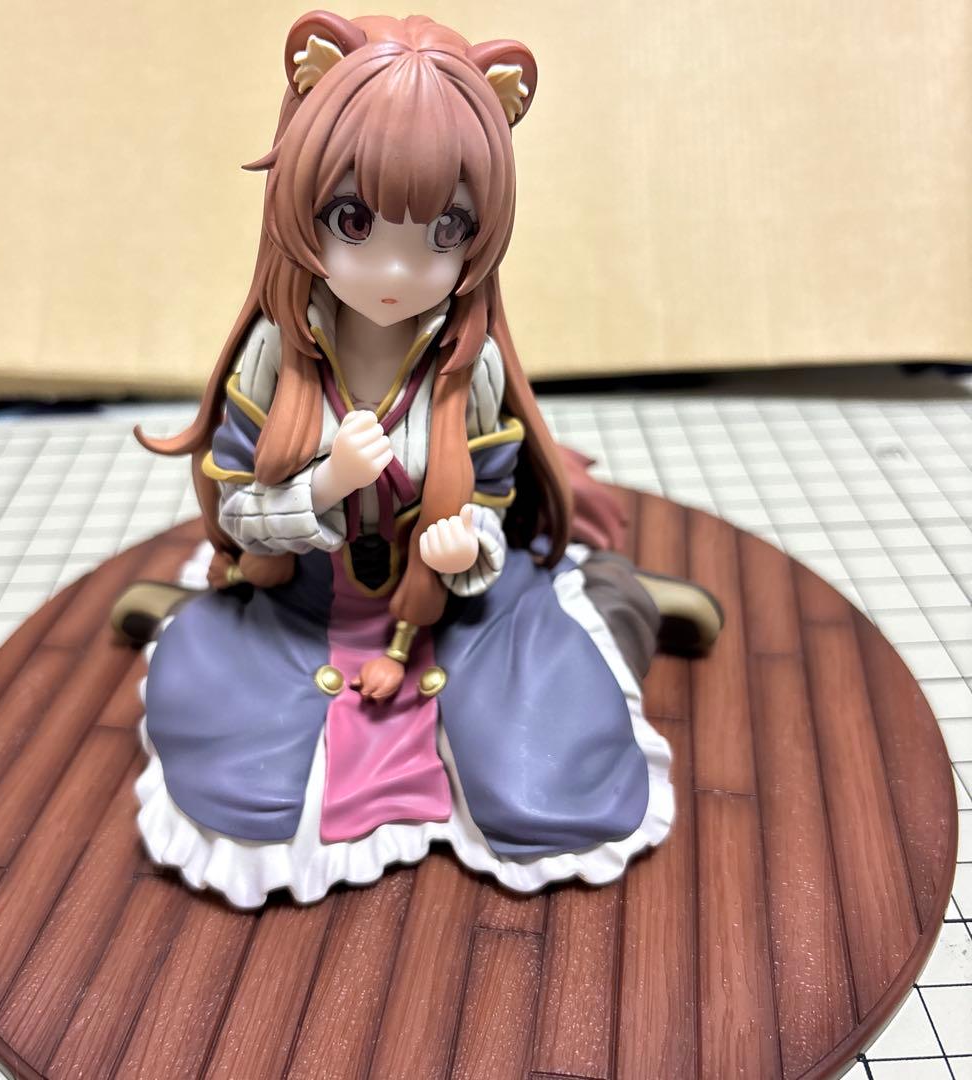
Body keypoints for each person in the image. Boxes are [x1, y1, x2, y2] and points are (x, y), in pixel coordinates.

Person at [122, 11, 722, 910]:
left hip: (454, 621)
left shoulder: (467, 366)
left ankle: (610, 598)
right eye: (354, 220)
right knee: (242, 785)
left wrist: (468, 544)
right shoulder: (272, 357)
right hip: (297, 612)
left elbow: (493, 495)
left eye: (446, 232)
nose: (395, 271)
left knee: (543, 781)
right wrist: (324, 487)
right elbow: (237, 506)